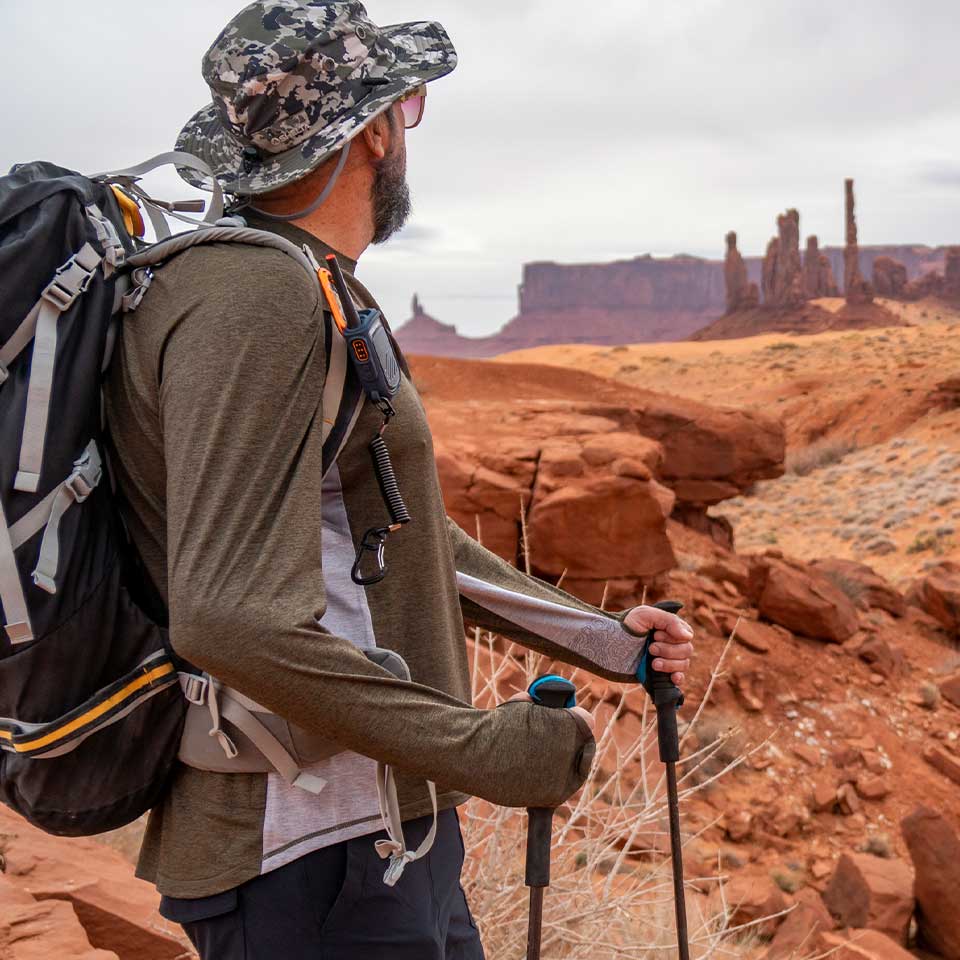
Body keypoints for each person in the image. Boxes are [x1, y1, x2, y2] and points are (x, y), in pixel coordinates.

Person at [104, 2, 696, 957]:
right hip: (308, 854)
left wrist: (603, 641)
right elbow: (227, 616)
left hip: (382, 835)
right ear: (376, 129)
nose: (408, 132)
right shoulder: (259, 297)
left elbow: (401, 527)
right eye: (409, 108)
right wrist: (481, 750)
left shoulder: (305, 281)